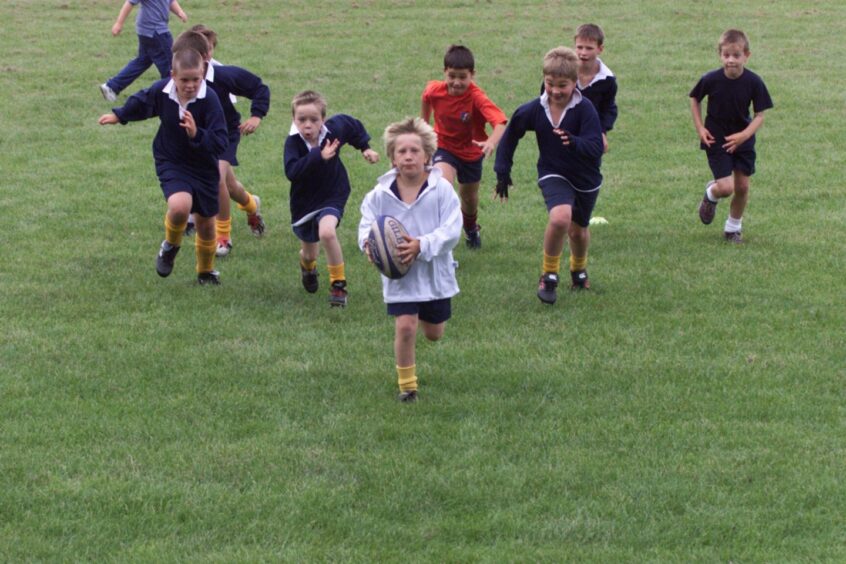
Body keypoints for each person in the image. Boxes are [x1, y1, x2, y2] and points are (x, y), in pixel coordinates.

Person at [98, 48, 229, 284]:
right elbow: (143, 100)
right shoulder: (163, 91)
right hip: (171, 160)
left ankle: (205, 271)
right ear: (172, 76)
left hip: (204, 168)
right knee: (180, 206)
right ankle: (170, 246)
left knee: (206, 225)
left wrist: (197, 133)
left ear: (203, 74)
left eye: (196, 79)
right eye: (184, 80)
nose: (190, 85)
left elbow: (220, 141)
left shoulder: (209, 100)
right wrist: (120, 115)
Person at [358, 118, 462, 402]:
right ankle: (408, 387)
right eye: (401, 151)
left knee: (434, 333)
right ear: (392, 158)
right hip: (399, 276)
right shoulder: (378, 195)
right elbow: (366, 227)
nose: (408, 156)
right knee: (405, 325)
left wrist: (422, 245)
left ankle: (431, 325)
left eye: (414, 150)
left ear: (427, 155)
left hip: (433, 271)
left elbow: (452, 230)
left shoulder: (442, 190)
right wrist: (369, 246)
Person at [494, 47, 604, 305]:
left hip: (586, 178)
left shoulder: (585, 109)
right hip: (553, 172)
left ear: (575, 82)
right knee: (560, 218)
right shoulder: (534, 109)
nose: (555, 91)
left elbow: (595, 147)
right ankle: (549, 275)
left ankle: (578, 270)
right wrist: (502, 171)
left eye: (562, 85)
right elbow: (510, 136)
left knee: (578, 231)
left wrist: (573, 142)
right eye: (549, 84)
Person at [173, 27, 270, 257]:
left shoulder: (223, 76)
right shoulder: (179, 80)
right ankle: (251, 206)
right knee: (229, 186)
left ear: (206, 58)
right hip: (199, 136)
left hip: (225, 133)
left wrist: (256, 116)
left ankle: (223, 237)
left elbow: (259, 88)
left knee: (216, 178)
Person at [284, 90, 380, 306]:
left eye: (313, 120)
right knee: (310, 253)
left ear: (323, 120)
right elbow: (292, 172)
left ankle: (338, 286)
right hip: (305, 203)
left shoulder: (333, 131)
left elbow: (350, 125)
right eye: (302, 120)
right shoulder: (293, 143)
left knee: (327, 232)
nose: (307, 125)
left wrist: (365, 147)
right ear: (293, 119)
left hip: (332, 194)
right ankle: (307, 267)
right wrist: (318, 156)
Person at [421, 44, 507, 249]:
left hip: (471, 152)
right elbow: (426, 99)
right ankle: (439, 237)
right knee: (441, 186)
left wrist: (491, 142)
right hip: (443, 147)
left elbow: (500, 122)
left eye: (462, 77)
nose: (457, 82)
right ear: (444, 72)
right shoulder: (435, 90)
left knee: (468, 198)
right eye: (452, 76)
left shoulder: (477, 97)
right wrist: (423, 127)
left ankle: (470, 228)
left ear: (472, 75)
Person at [691, 29, 773, 244]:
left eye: (736, 55)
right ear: (720, 55)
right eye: (726, 55)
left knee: (743, 187)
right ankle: (712, 193)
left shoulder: (754, 82)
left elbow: (759, 115)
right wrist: (700, 128)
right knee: (726, 188)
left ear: (747, 55)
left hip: (743, 139)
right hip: (716, 138)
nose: (731, 60)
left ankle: (732, 228)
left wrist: (744, 135)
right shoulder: (710, 79)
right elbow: (694, 99)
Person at [100, 0, 188, 102]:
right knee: (170, 66)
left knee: (142, 61)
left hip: (147, 31)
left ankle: (112, 86)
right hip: (156, 31)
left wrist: (179, 12)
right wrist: (119, 23)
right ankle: (171, 95)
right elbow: (130, 2)